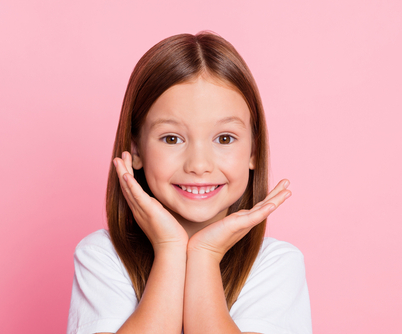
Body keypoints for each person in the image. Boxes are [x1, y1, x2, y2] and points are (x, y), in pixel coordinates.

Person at [67, 31, 312, 334]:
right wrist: (170, 250)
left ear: (253, 150)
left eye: (224, 138)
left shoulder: (275, 265)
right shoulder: (102, 258)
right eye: (172, 138)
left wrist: (204, 256)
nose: (199, 165)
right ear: (137, 149)